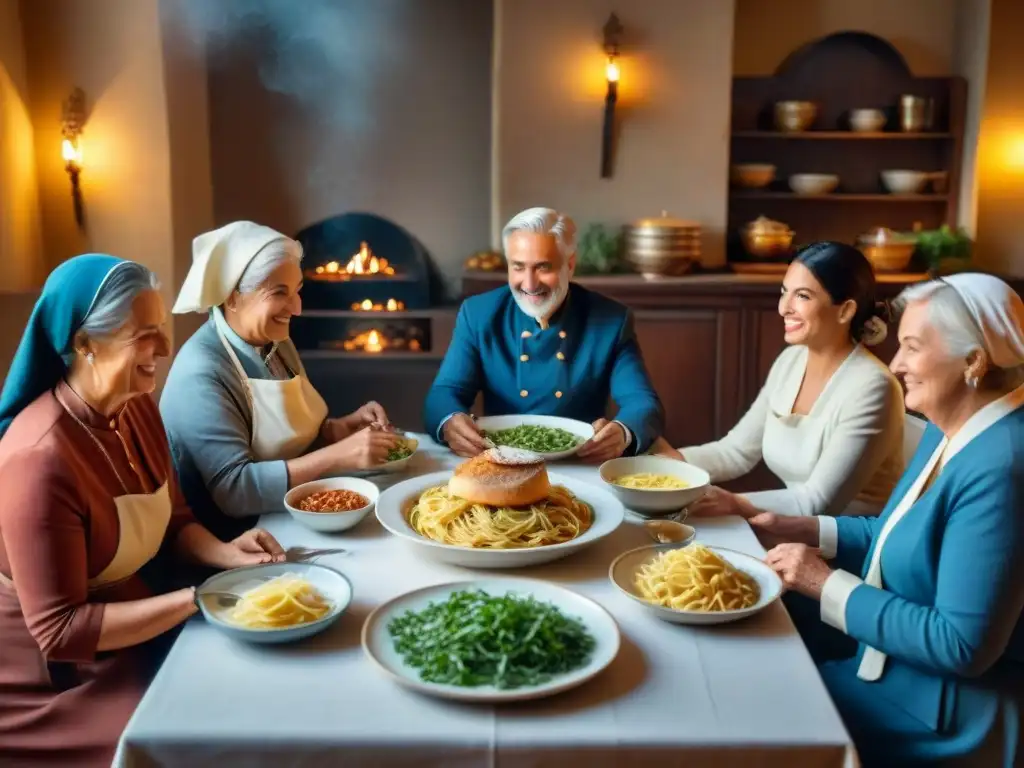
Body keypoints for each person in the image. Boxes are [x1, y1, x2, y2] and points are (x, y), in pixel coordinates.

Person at [0, 255, 285, 767]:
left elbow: (172, 518)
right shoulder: (37, 460)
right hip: (53, 674)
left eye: (163, 329)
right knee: (187, 734)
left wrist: (225, 554)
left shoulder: (135, 406)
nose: (168, 348)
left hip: (135, 609)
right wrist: (197, 600)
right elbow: (61, 632)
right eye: (144, 334)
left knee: (257, 689)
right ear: (85, 343)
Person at [754, 274, 1024, 766]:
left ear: (974, 362)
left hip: (943, 714)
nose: (895, 364)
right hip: (890, 669)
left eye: (912, 348)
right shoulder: (953, 423)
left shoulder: (1003, 467)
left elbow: (961, 645)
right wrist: (800, 528)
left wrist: (823, 582)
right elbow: (897, 533)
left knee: (758, 709)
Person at [161, 221, 402, 541]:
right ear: (232, 297)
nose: (297, 308)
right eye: (279, 293)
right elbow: (235, 492)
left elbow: (282, 443)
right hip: (237, 538)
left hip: (286, 513)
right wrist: (339, 454)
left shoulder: (274, 343)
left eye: (297, 291)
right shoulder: (202, 373)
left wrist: (334, 432)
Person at [653, 242, 905, 518]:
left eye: (803, 296)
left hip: (847, 545)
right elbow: (737, 452)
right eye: (784, 293)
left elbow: (816, 502)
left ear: (845, 311)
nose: (784, 308)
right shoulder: (791, 360)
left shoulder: (872, 387)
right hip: (792, 530)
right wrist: (670, 464)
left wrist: (735, 503)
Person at [423, 207, 664, 462]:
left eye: (542, 267)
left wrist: (623, 432)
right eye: (518, 267)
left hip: (580, 461)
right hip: (502, 461)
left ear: (569, 266)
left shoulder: (611, 320)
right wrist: (449, 421)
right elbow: (445, 391)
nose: (529, 284)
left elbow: (642, 401)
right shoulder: (478, 314)